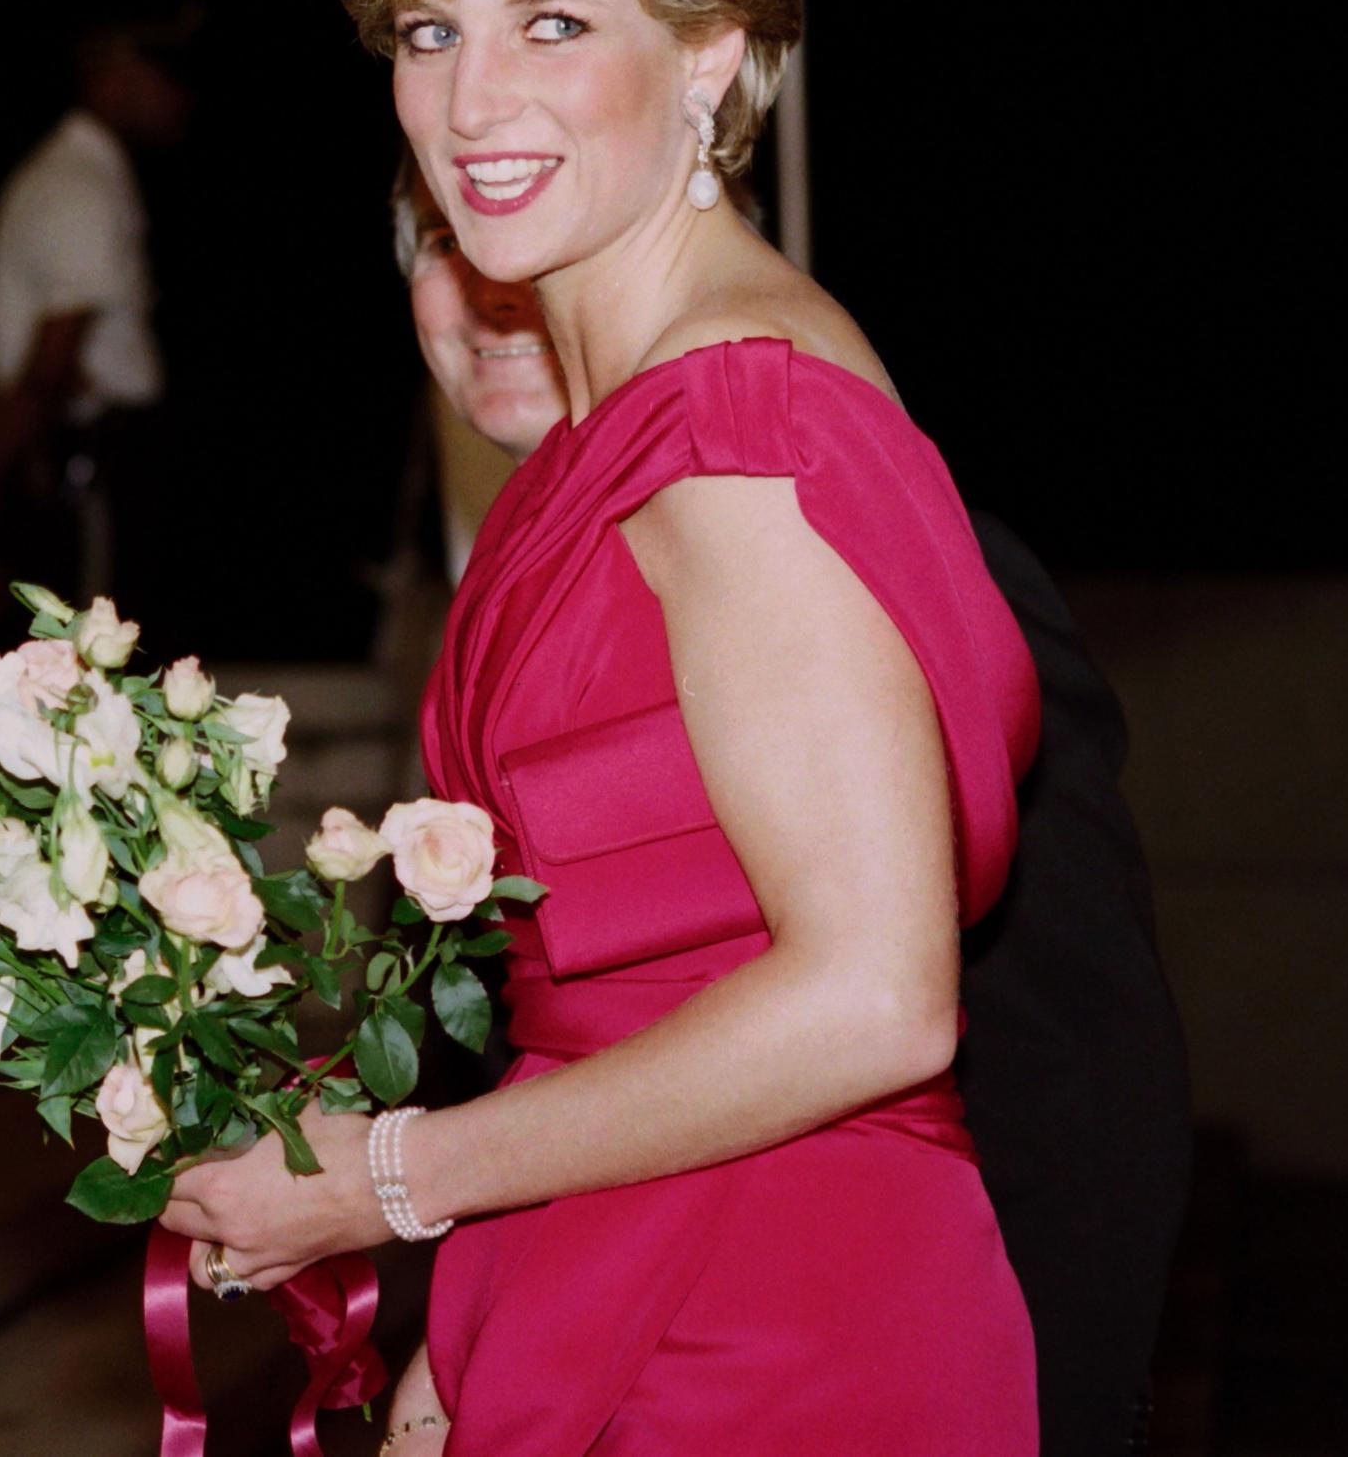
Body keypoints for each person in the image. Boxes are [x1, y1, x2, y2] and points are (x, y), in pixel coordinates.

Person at [161, 0, 1039, 1452]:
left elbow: (878, 991)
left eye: (554, 24)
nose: (472, 102)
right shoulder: (627, 421)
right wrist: (460, 1335)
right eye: (433, 29)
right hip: (615, 1236)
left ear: (710, 53)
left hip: (778, 1307)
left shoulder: (737, 425)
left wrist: (388, 1182)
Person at [392, 161, 1192, 1456]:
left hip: (832, 1329)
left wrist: (1074, 1396)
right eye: (440, 238)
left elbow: (1079, 1029)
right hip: (586, 1299)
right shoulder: (503, 610)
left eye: (527, 235)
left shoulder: (838, 523)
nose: (487, 288)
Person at [0, 20, 190, 615]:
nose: (181, 97)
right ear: (113, 82)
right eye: (166, 76)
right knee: (97, 657)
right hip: (86, 461)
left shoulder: (65, 174)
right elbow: (52, 351)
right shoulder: (78, 183)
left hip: (55, 456)